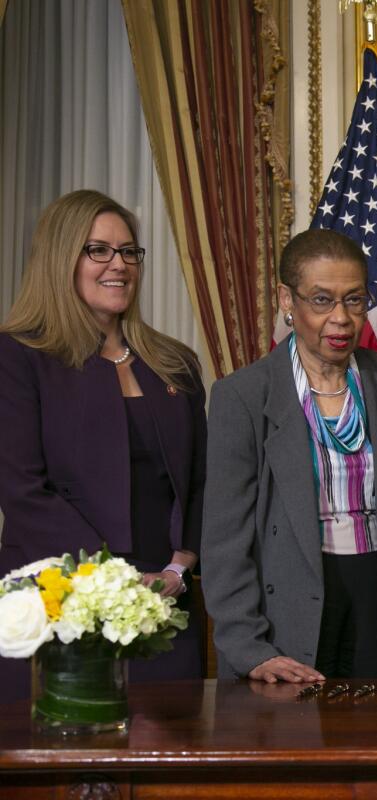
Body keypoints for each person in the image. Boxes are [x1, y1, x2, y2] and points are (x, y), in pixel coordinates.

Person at [202, 229, 377, 683]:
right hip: (289, 608)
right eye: (321, 300)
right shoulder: (243, 396)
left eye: (354, 300)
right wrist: (249, 647)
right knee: (301, 745)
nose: (341, 319)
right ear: (286, 301)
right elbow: (225, 540)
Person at [0, 190, 206, 701]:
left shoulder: (173, 362)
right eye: (99, 250)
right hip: (59, 599)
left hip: (164, 599)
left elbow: (202, 481)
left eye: (129, 251)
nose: (119, 264)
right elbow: (23, 491)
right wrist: (113, 581)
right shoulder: (18, 357)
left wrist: (179, 567)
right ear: (60, 258)